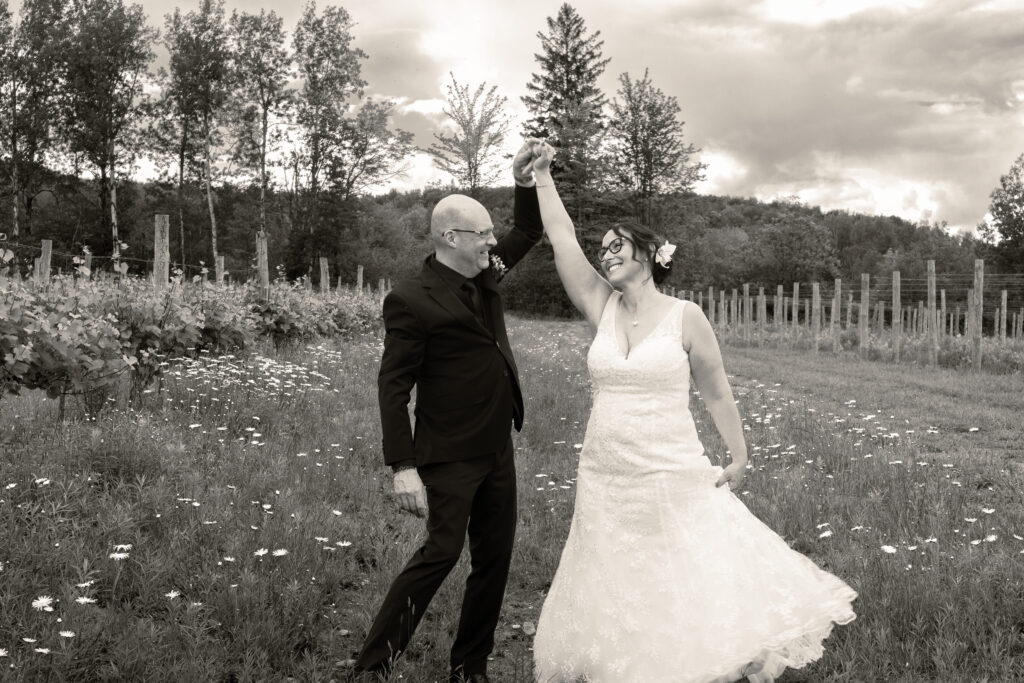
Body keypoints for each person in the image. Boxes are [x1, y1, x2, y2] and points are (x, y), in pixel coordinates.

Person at [525, 141, 857, 683]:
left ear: (650, 255)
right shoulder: (599, 306)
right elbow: (561, 238)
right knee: (611, 563)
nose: (606, 253)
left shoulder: (686, 316)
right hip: (605, 470)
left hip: (667, 464)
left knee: (679, 560)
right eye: (603, 247)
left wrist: (740, 453)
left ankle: (683, 652)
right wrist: (543, 176)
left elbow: (717, 391)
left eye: (618, 246)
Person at [350, 142, 544, 683]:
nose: (492, 241)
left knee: (495, 559)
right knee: (440, 553)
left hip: (496, 446)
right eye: (483, 233)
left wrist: (522, 182)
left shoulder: (486, 273)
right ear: (450, 238)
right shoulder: (411, 299)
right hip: (449, 452)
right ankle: (371, 666)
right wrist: (402, 466)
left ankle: (470, 666)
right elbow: (393, 387)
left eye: (490, 234)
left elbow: (526, 233)